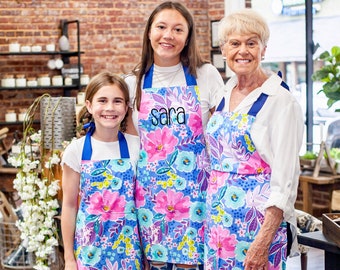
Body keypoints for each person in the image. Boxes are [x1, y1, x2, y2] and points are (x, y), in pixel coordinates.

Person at [124, 1, 224, 269]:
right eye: (161, 27)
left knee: (191, 265)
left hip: (197, 194)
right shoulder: (132, 83)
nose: (168, 35)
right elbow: (132, 145)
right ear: (149, 32)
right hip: (150, 195)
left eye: (178, 29)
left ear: (188, 37)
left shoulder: (206, 75)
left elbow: (222, 135)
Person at [204, 9, 304, 270]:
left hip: (256, 227)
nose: (243, 51)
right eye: (235, 43)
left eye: (252, 43)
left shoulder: (281, 101)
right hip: (218, 223)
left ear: (264, 50)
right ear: (224, 50)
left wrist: (263, 241)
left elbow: (285, 182)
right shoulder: (225, 93)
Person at [60, 71, 143, 269]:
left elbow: (143, 203)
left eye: (117, 101)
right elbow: (69, 206)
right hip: (89, 252)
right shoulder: (76, 150)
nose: (110, 108)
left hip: (129, 252)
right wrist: (69, 258)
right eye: (102, 100)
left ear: (126, 107)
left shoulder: (137, 146)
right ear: (89, 105)